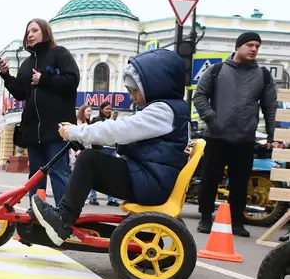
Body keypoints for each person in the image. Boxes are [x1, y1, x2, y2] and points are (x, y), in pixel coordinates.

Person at [29, 48, 190, 246]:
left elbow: (121, 130)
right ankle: (64, 216)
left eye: (134, 91)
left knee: (88, 160)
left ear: (155, 84)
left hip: (151, 182)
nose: (131, 96)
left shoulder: (163, 111)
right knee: (90, 159)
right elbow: (129, 139)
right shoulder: (167, 109)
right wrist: (95, 140)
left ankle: (63, 219)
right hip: (148, 177)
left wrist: (77, 132)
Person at [193, 31, 279, 237]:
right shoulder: (216, 70)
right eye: (249, 45)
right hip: (216, 136)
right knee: (210, 179)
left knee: (240, 182)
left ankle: (237, 221)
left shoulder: (263, 75)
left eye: (257, 46)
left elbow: (270, 107)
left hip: (245, 138)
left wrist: (271, 135)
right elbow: (199, 96)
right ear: (237, 46)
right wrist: (213, 119)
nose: (254, 49)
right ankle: (205, 217)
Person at [0, 18, 79, 205]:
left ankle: (64, 216)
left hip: (57, 130)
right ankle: (36, 214)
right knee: (36, 176)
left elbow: (72, 81)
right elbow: (20, 93)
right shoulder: (27, 64)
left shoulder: (60, 54)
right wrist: (6, 76)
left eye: (34, 30)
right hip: (34, 131)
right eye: (28, 32)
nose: (30, 35)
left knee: (59, 172)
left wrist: (45, 80)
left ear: (45, 32)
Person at [88, 101, 119, 206]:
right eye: (107, 109)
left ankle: (111, 198)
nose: (109, 111)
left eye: (110, 109)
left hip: (111, 149)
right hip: (100, 149)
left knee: (111, 175)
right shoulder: (96, 120)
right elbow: (96, 132)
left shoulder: (114, 121)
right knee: (95, 173)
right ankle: (93, 197)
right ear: (101, 109)